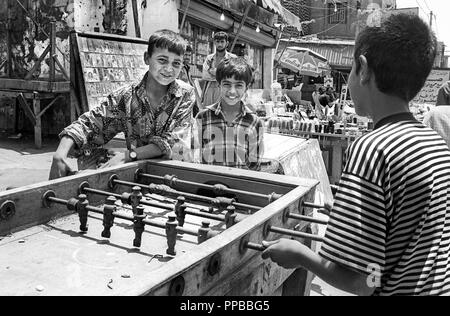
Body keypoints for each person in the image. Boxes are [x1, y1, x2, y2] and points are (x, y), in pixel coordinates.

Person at [262, 14, 450, 296]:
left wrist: (299, 254)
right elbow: (404, 232)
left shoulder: (372, 149)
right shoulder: (435, 144)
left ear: (362, 69)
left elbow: (365, 281)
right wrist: (346, 216)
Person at [49, 29, 196, 179]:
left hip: (177, 175)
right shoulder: (126, 96)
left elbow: (172, 141)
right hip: (138, 175)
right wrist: (60, 154)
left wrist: (127, 156)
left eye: (176, 63)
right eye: (162, 60)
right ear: (147, 58)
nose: (169, 69)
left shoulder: (185, 94)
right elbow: (90, 124)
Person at [193, 57, 264, 171]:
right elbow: (195, 156)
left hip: (239, 186)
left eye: (239, 85)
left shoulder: (254, 122)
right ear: (218, 84)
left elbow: (254, 164)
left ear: (247, 87)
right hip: (208, 184)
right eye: (227, 84)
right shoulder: (203, 117)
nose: (232, 91)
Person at [201, 32, 237, 107]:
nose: (220, 44)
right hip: (210, 89)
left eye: (222, 42)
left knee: (224, 113)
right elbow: (205, 76)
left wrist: (213, 72)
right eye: (217, 42)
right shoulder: (209, 58)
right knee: (208, 112)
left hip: (226, 89)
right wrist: (223, 73)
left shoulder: (232, 58)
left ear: (227, 43)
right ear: (214, 42)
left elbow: (234, 76)